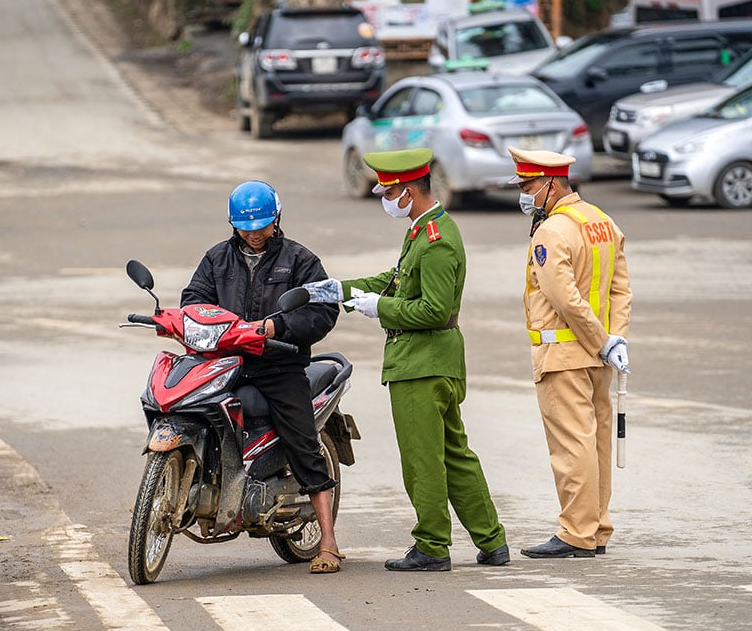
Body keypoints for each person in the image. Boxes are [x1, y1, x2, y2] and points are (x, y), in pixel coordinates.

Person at [305, 148, 509, 572]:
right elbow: (394, 281)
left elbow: (433, 309)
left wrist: (379, 309)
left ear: (409, 192)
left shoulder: (436, 242)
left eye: (389, 191)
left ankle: (432, 546)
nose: (384, 198)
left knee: (423, 460)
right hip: (436, 361)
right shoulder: (425, 229)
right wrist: (338, 289)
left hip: (422, 363)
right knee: (455, 455)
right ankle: (491, 541)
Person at [181, 180, 344, 574]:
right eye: (245, 227)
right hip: (226, 360)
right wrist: (193, 321)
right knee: (185, 403)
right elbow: (194, 298)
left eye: (261, 226)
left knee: (303, 443)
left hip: (279, 364)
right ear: (233, 225)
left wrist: (278, 328)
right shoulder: (217, 259)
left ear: (277, 220)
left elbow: (324, 311)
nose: (254, 234)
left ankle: (329, 542)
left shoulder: (300, 259)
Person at [507, 147, 632, 559]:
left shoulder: (553, 231)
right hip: (600, 356)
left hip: (563, 354)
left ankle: (576, 532)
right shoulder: (601, 221)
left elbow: (566, 299)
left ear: (550, 184)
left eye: (527, 186)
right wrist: (615, 340)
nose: (524, 195)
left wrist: (600, 340)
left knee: (571, 446)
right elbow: (619, 289)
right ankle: (597, 527)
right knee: (595, 441)